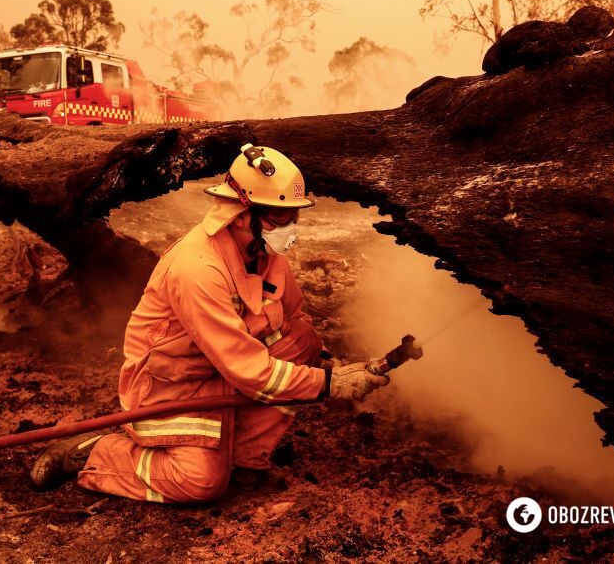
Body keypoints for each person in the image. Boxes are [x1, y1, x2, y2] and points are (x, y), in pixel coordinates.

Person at [30, 144, 390, 502]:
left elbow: (295, 320)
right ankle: (98, 453)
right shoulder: (198, 268)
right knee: (199, 482)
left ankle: (244, 458)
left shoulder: (262, 252)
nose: (291, 228)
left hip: (221, 368)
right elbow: (247, 368)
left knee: (302, 341)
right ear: (241, 214)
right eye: (280, 217)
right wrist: (327, 384)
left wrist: (328, 364)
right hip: (172, 383)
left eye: (293, 216)